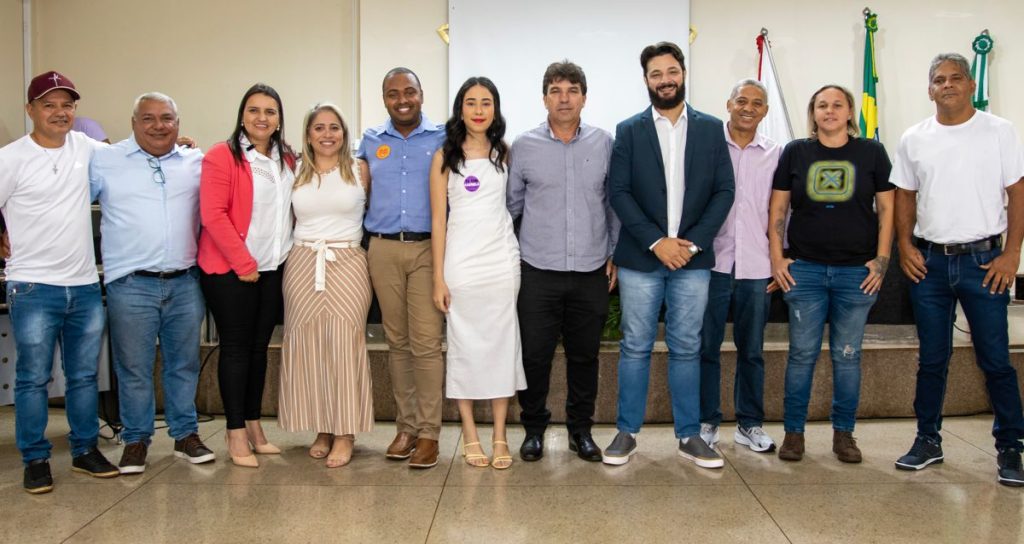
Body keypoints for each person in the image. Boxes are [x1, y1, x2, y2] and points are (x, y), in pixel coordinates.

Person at [891, 53, 1024, 486]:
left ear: (970, 85)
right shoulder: (914, 137)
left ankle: (1010, 448)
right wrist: (905, 246)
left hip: (985, 262)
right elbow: (905, 196)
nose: (946, 85)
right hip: (929, 263)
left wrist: (1012, 253)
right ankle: (927, 440)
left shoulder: (999, 131)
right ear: (929, 89)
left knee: (996, 360)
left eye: (955, 78)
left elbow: (1018, 193)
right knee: (932, 359)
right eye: (938, 79)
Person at [602, 42, 734, 469]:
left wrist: (690, 243)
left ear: (683, 74)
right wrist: (657, 242)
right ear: (646, 80)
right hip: (642, 259)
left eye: (671, 71)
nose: (665, 80)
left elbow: (724, 191)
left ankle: (689, 435)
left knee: (686, 347)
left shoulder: (712, 129)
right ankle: (627, 432)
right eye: (656, 73)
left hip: (692, 261)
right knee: (635, 346)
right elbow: (618, 192)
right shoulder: (629, 130)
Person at [0, 71, 119, 493]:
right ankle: (35, 459)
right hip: (32, 286)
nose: (59, 112)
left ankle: (85, 449)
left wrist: (180, 146)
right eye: (49, 105)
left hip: (85, 286)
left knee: (84, 375)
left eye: (67, 105)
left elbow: (129, 156)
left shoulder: (86, 148)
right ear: (30, 110)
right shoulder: (10, 158)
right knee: (33, 378)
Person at [769, 84, 894, 464]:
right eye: (822, 105)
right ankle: (794, 434)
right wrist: (778, 259)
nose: (829, 111)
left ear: (849, 112)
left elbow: (887, 210)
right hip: (804, 271)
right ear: (813, 112)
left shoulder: (872, 152)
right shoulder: (796, 152)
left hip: (856, 273)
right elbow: (777, 210)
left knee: (848, 356)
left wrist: (882, 260)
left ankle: (844, 435)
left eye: (837, 104)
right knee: (801, 355)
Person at [90, 92, 213, 474]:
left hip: (184, 282)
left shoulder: (196, 162)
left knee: (184, 364)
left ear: (178, 123)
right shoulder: (105, 161)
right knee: (134, 368)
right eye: (148, 118)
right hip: (130, 285)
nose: (158, 125)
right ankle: (136, 440)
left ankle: (185, 435)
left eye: (167, 118)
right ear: (133, 122)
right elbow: (63, 200)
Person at [507, 60, 617, 463]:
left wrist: (614, 254)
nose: (564, 98)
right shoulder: (524, 146)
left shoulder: (604, 143)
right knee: (534, 356)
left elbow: (613, 205)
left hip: (590, 269)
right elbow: (512, 207)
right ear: (544, 98)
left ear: (584, 97)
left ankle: (581, 431)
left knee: (584, 356)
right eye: (556, 90)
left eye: (572, 90)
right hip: (538, 270)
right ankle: (533, 429)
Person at [430, 77, 526, 470]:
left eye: (486, 102)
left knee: (503, 345)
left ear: (495, 108)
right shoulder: (444, 156)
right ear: (460, 108)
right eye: (471, 102)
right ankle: (470, 434)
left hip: (501, 260)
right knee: (466, 345)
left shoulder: (504, 151)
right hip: (462, 262)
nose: (479, 110)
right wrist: (439, 276)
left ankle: (500, 435)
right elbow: (439, 220)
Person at [198, 83, 296, 468]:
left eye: (270, 111)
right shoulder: (222, 157)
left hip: (272, 269)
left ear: (279, 119)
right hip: (231, 271)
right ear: (242, 115)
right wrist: (245, 264)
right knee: (236, 349)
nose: (262, 118)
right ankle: (235, 431)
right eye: (254, 110)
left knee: (259, 350)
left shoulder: (285, 159)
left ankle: (255, 426)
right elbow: (214, 215)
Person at [357, 68, 446, 469]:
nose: (402, 99)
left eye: (409, 91)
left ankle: (429, 433)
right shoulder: (370, 141)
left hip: (429, 249)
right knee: (397, 342)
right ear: (385, 99)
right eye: (393, 93)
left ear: (422, 94)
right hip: (383, 250)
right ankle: (406, 427)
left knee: (426, 342)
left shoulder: (444, 137)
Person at [278, 103, 374, 468]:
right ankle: (322, 427)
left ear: (345, 134)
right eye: (319, 128)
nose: (327, 134)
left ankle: (345, 430)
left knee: (345, 342)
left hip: (347, 261)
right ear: (308, 134)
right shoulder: (294, 170)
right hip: (302, 262)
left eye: (335, 127)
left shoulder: (360, 170)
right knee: (310, 346)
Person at [698, 79, 780, 453]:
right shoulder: (708, 148)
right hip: (712, 263)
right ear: (728, 104)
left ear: (765, 111)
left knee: (752, 349)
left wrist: (781, 258)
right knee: (707, 347)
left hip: (758, 265)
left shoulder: (776, 154)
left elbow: (783, 212)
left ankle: (750, 424)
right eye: (741, 101)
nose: (748, 108)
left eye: (757, 103)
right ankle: (707, 422)